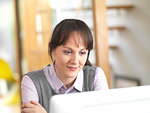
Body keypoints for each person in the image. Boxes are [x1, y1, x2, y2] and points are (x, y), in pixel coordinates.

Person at [21, 19, 109, 113]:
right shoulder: (32, 82)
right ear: (53, 49)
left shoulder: (96, 76)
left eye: (82, 53)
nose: (75, 61)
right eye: (68, 52)